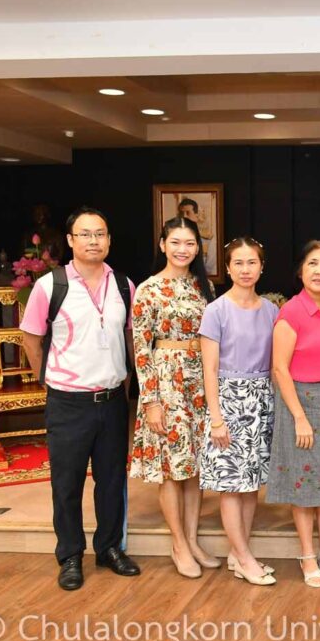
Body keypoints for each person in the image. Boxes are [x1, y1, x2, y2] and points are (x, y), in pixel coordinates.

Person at [20, 207, 140, 591]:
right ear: (71, 240)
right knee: (67, 484)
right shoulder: (50, 286)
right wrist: (50, 382)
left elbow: (129, 339)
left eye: (100, 234)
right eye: (85, 234)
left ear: (109, 240)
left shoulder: (124, 285)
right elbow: (31, 340)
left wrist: (126, 386)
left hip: (112, 401)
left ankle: (109, 548)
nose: (93, 241)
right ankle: (70, 555)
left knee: (112, 480)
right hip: (68, 402)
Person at [130, 216, 218, 578]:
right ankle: (178, 543)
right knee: (171, 467)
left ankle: (193, 540)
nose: (183, 249)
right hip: (166, 383)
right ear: (163, 245)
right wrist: (151, 401)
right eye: (176, 242)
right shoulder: (149, 289)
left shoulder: (203, 286)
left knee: (194, 466)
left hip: (200, 382)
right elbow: (140, 349)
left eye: (190, 243)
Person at [266, 240, 320, 588]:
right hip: (299, 401)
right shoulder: (290, 312)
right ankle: (307, 554)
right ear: (300, 271)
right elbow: (279, 369)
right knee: (303, 483)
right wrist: (299, 417)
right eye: (313, 264)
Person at [198, 237, 278, 586]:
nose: (246, 269)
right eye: (239, 263)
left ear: (262, 267)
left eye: (252, 262)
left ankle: (238, 552)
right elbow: (209, 369)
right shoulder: (216, 311)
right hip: (228, 402)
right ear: (228, 268)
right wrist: (216, 418)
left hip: (261, 400)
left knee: (251, 484)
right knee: (231, 485)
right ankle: (245, 558)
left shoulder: (272, 311)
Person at [178, 198, 216, 277]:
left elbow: (210, 267)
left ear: (196, 215)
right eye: (181, 213)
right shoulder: (174, 239)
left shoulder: (207, 239)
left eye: (188, 213)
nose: (184, 216)